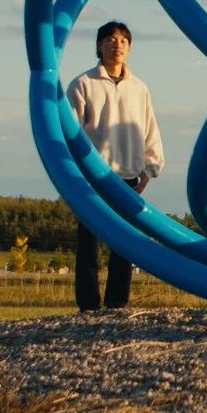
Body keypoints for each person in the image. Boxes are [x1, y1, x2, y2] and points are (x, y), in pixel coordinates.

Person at [67, 20, 164, 311]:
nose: (117, 44)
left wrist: (150, 170)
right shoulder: (83, 84)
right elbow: (69, 131)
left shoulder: (139, 88)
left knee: (124, 244)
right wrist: (79, 172)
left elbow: (150, 131)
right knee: (89, 244)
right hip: (94, 178)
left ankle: (116, 304)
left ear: (129, 47)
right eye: (110, 39)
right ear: (98, 46)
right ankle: (88, 306)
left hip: (129, 177)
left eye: (123, 40)